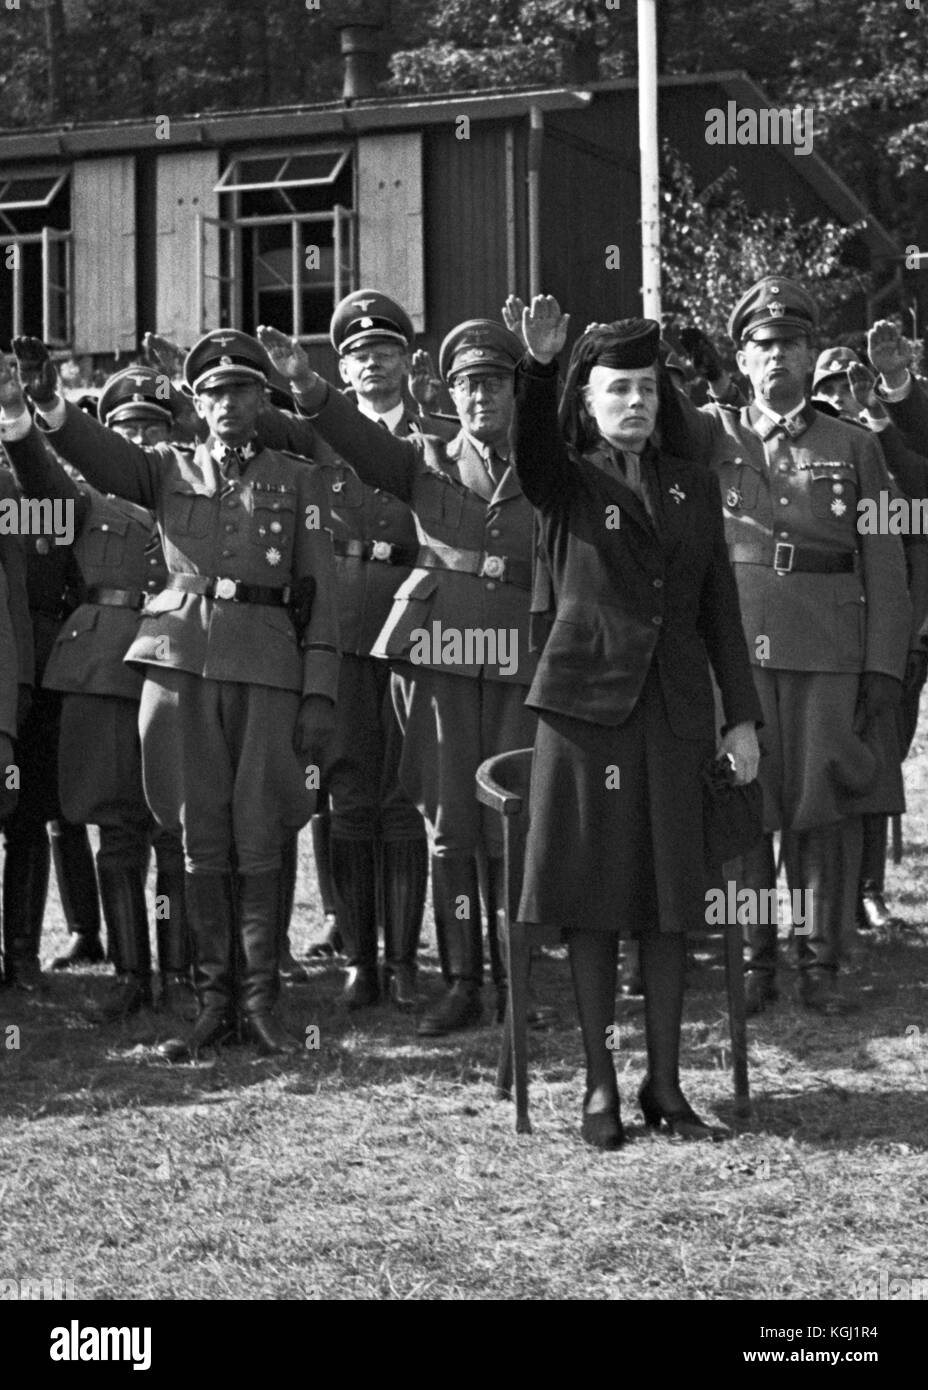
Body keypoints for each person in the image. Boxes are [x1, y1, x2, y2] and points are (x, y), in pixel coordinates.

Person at [11, 330, 340, 1058]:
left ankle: (260, 1001)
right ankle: (210, 1001)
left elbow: (324, 595)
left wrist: (320, 690)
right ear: (198, 401)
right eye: (216, 392)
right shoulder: (164, 470)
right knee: (195, 832)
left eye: (242, 390)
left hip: (266, 667)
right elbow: (96, 456)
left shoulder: (297, 478)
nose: (229, 403)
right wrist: (44, 404)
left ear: (262, 400)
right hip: (179, 666)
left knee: (258, 831)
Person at [508, 295, 761, 1149]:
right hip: (586, 716)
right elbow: (530, 453)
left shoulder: (691, 485)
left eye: (648, 389)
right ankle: (597, 1087)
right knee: (592, 902)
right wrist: (539, 367)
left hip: (676, 717)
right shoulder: (566, 481)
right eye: (618, 390)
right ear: (588, 402)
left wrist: (744, 721)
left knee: (668, 902)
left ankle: (665, 1085)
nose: (636, 404)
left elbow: (719, 610)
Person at [258, 316, 539, 1035]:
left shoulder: (547, 464)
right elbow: (355, 441)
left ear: (516, 391)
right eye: (469, 384)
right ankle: (463, 983)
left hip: (516, 660)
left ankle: (517, 984)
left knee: (514, 824)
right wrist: (308, 385)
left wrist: (546, 361)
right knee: (449, 825)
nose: (481, 397)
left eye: (496, 383)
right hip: (444, 657)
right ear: (451, 390)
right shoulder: (425, 458)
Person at [661, 278, 911, 1017]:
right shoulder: (714, 435)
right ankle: (751, 963)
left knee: (822, 812)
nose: (777, 357)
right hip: (735, 651)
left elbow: (887, 564)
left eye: (790, 344)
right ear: (742, 358)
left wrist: (883, 667)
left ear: (810, 354)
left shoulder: (858, 447)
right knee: (741, 807)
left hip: (829, 652)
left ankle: (820, 965)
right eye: (762, 345)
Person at [0, 361, 196, 1021]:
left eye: (152, 427)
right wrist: (20, 420)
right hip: (104, 671)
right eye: (125, 427)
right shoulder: (86, 500)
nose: (138, 439)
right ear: (102, 436)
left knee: (175, 827)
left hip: (179, 659)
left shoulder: (193, 488)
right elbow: (41, 478)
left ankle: (180, 969)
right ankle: (130, 975)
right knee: (116, 828)